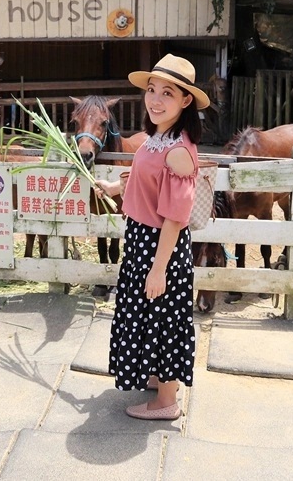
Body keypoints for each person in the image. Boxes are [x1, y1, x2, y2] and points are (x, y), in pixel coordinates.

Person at [94, 54, 209, 421]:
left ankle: (166, 402)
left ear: (186, 100)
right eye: (152, 90)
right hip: (142, 240)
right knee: (148, 316)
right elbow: (143, 177)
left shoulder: (178, 151)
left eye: (168, 94)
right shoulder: (157, 138)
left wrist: (159, 269)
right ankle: (158, 381)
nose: (155, 100)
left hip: (162, 246)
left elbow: (175, 218)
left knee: (164, 318)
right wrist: (113, 187)